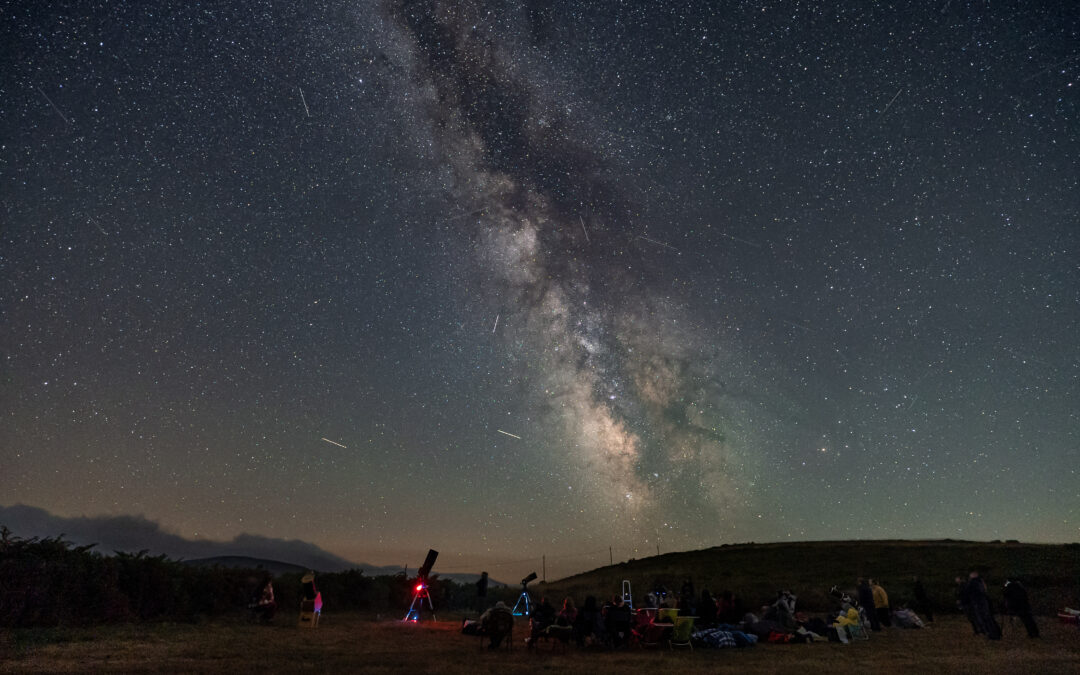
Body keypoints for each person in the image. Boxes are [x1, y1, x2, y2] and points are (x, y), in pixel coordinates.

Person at [966, 571, 1001, 640]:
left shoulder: (973, 583)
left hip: (978, 603)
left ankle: (992, 635)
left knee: (984, 619)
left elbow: (967, 592)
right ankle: (996, 633)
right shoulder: (980, 582)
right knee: (988, 618)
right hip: (983, 602)